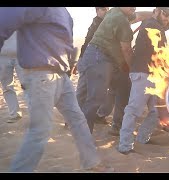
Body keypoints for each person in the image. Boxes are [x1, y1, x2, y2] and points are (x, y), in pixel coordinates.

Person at [0, 7, 112, 172]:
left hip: (61, 75)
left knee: (78, 119)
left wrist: (71, 62)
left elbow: (68, 42)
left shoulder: (64, 12)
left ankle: (92, 162)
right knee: (40, 131)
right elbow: (4, 19)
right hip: (41, 74)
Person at [76, 7, 152, 134]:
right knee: (95, 98)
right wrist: (133, 69)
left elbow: (138, 15)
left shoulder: (116, 11)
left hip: (109, 59)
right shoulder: (120, 20)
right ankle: (83, 134)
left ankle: (117, 126)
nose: (133, 8)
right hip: (99, 57)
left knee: (124, 86)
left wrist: (153, 14)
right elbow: (127, 50)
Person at [117, 7, 169, 154]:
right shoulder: (152, 25)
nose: (167, 18)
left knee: (156, 112)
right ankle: (124, 145)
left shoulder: (155, 26)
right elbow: (162, 52)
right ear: (156, 11)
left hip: (152, 75)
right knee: (134, 110)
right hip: (144, 74)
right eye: (165, 13)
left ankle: (142, 137)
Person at [0, 32, 23, 123]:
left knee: (27, 85)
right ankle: (14, 113)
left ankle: (34, 114)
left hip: (21, 54)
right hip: (2, 56)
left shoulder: (19, 17)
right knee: (6, 86)